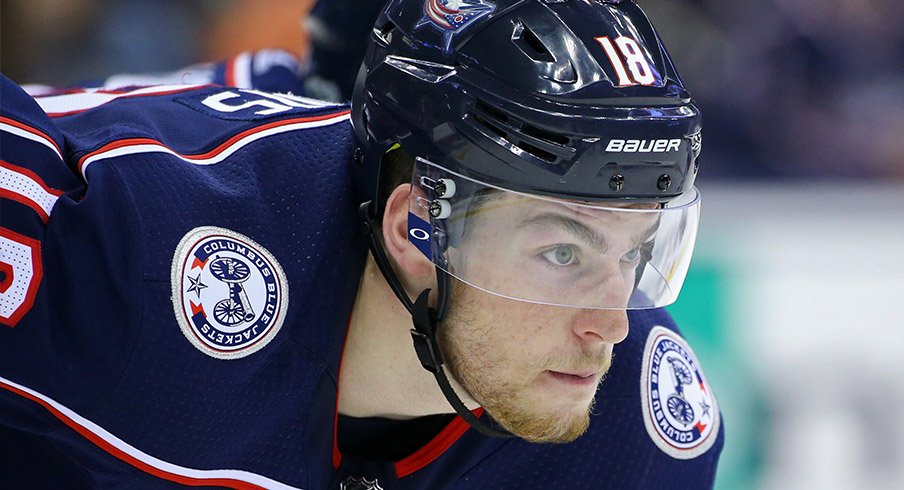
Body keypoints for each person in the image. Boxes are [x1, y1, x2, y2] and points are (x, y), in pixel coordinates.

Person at [0, 0, 723, 487]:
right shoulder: (128, 251)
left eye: (631, 254)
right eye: (562, 254)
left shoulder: (640, 428)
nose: (611, 326)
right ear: (416, 227)